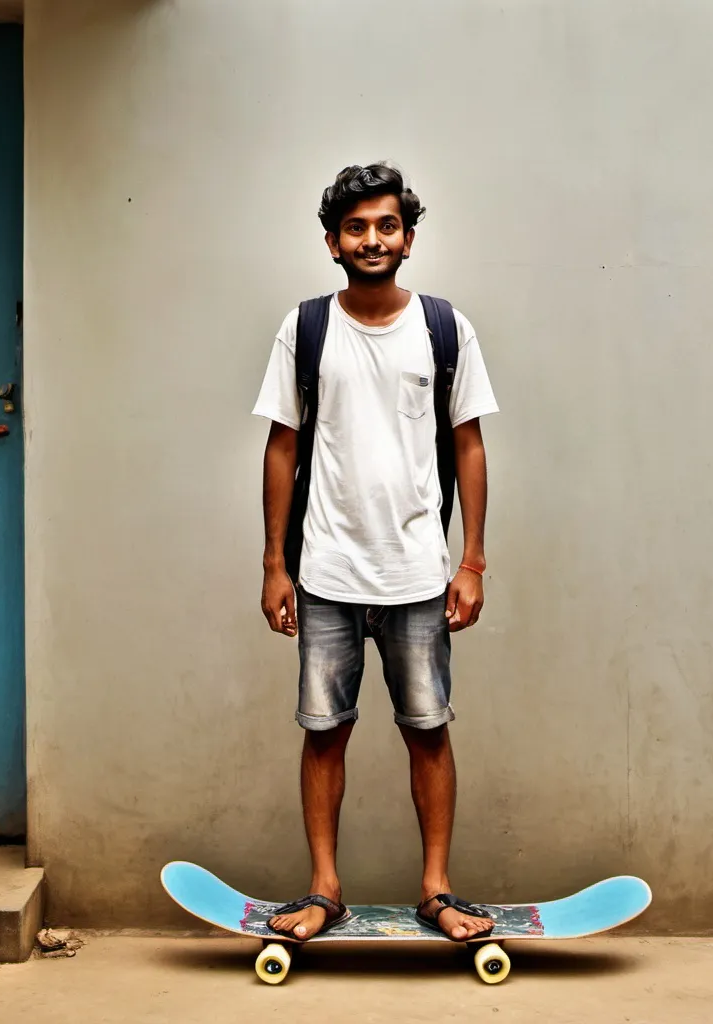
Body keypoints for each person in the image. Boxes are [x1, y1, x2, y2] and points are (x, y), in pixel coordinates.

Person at [252, 162, 499, 942]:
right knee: (324, 732)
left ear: (408, 237)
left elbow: (470, 446)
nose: (371, 239)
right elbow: (281, 447)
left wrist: (472, 562)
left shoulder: (444, 328)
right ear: (332, 242)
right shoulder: (306, 329)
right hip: (325, 570)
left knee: (428, 728)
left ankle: (437, 889)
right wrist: (273, 564)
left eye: (385, 225)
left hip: (419, 573)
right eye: (355, 227)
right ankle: (324, 891)